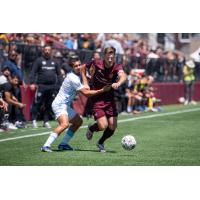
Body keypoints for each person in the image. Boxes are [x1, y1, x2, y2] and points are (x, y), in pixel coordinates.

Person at [41, 55, 111, 152]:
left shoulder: (77, 76)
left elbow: (86, 87)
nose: (78, 67)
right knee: (64, 124)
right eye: (76, 66)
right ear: (72, 67)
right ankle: (46, 145)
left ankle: (63, 144)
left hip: (64, 105)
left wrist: (84, 74)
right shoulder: (73, 78)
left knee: (78, 122)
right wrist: (102, 90)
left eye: (79, 65)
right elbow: (87, 93)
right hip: (59, 105)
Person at [85, 46, 127, 152]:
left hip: (110, 99)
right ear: (104, 55)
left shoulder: (117, 66)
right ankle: (91, 128)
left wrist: (118, 83)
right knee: (103, 125)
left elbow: (123, 75)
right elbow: (83, 68)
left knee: (112, 126)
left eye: (112, 56)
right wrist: (85, 82)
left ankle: (100, 142)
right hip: (97, 98)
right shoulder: (96, 63)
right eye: (108, 55)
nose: (110, 58)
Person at [29, 44, 62, 128]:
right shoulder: (39, 61)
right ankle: (34, 120)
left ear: (51, 51)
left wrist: (59, 85)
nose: (47, 51)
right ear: (43, 51)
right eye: (45, 50)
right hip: (41, 86)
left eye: (48, 50)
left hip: (52, 87)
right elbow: (33, 72)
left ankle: (46, 121)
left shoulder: (55, 61)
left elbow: (59, 74)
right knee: (37, 103)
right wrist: (32, 83)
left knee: (49, 104)